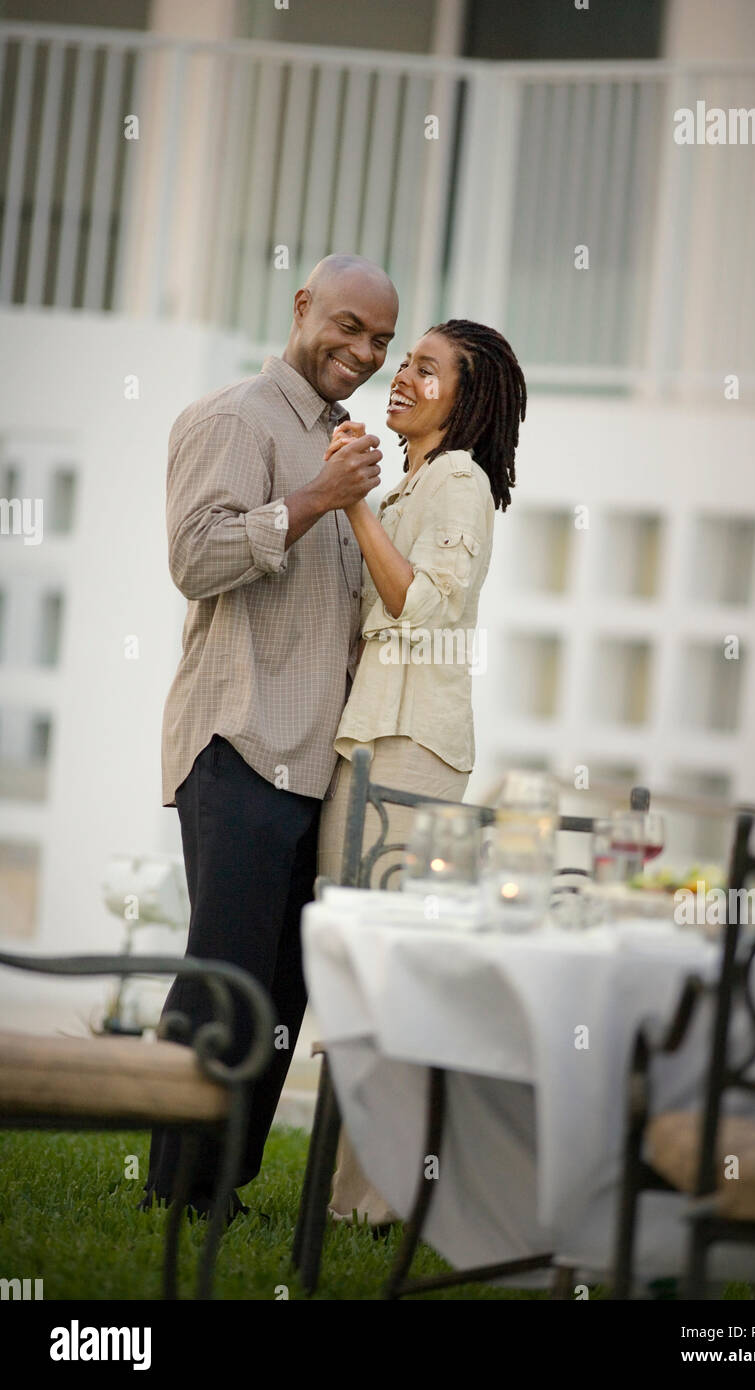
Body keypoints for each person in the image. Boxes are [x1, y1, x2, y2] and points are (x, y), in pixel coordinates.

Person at [140, 254, 398, 1220]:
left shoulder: (341, 445)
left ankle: (222, 1188)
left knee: (282, 990)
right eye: (349, 327)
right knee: (226, 981)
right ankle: (173, 1189)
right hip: (239, 744)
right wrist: (319, 498)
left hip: (311, 765)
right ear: (302, 307)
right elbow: (195, 557)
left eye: (380, 340)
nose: (363, 353)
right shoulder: (235, 418)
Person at [317, 318, 526, 1227]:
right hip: (373, 738)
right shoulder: (414, 484)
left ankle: (378, 1206)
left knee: (384, 975)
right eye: (404, 364)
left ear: (466, 398)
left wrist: (351, 504)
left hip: (410, 750)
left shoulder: (460, 480)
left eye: (427, 369)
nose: (402, 376)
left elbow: (428, 605)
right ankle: (351, 1197)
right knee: (359, 973)